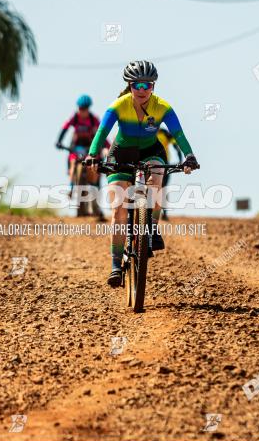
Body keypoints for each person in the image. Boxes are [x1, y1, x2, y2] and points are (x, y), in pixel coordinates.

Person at [85, 60, 199, 287]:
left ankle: (151, 228)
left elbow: (178, 133)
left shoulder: (163, 107)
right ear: (129, 85)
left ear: (154, 86)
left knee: (156, 182)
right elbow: (101, 132)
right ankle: (116, 266)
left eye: (148, 85)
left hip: (150, 151)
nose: (142, 90)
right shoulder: (118, 105)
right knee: (118, 210)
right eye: (137, 85)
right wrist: (92, 155)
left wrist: (189, 156)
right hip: (121, 153)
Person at [55, 95, 107, 216]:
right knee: (72, 161)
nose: (82, 111)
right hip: (76, 147)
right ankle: (71, 187)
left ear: (88, 108)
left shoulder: (94, 119)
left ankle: (96, 199)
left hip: (89, 148)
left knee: (95, 170)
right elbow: (65, 128)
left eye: (84, 108)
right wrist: (59, 140)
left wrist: (103, 147)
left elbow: (101, 134)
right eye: (80, 108)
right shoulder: (74, 118)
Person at [156, 126, 184, 220]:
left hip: (165, 164)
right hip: (148, 163)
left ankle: (164, 213)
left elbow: (175, 146)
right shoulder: (145, 131)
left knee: (163, 189)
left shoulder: (165, 133)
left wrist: (180, 161)